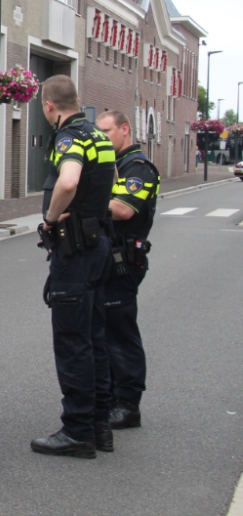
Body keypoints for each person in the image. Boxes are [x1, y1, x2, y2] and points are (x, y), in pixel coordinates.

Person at [30, 75, 116, 459]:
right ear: (77, 99)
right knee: (94, 338)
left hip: (76, 252)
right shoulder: (98, 136)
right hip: (97, 246)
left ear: (48, 105)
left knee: (72, 343)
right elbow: (112, 181)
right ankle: (99, 425)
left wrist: (51, 217)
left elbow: (68, 181)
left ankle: (77, 430)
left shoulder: (70, 138)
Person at [96, 110, 160, 429]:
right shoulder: (112, 166)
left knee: (120, 332)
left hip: (123, 262)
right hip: (105, 258)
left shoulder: (138, 167)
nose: (101, 138)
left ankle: (127, 403)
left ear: (125, 129)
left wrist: (87, 198)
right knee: (103, 330)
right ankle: (108, 396)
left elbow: (122, 209)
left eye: (106, 132)